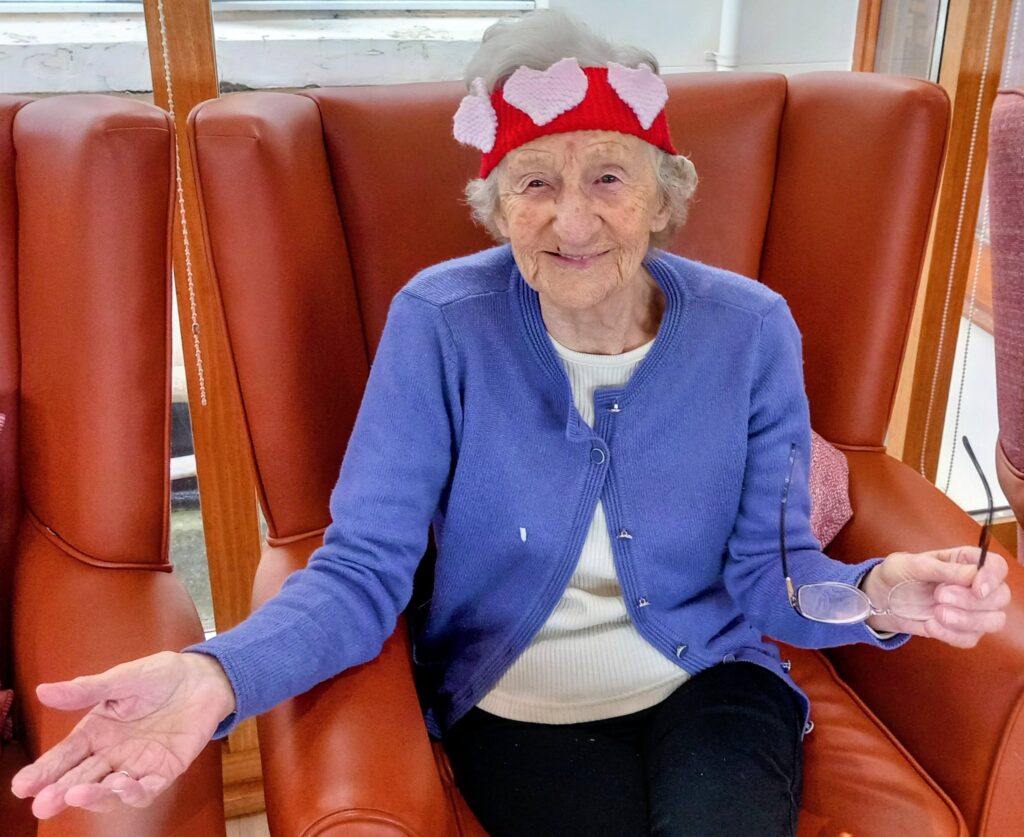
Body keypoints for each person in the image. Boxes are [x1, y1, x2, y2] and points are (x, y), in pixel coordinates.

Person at [10, 11, 1012, 836]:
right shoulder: (439, 324)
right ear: (492, 208)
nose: (572, 222)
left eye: (609, 178)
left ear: (664, 200)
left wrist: (876, 596)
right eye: (535, 183)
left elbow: (778, 579)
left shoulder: (749, 331)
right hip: (516, 702)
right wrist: (213, 675)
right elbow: (362, 570)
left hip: (716, 681)